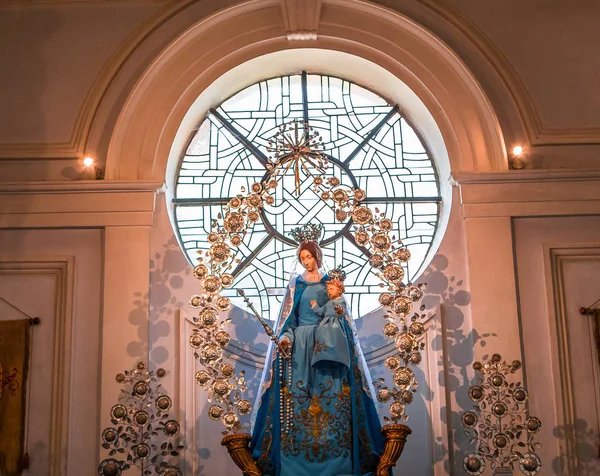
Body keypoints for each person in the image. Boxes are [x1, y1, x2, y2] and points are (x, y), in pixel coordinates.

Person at [250, 225, 385, 476]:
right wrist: (286, 340)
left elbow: (339, 314)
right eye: (302, 258)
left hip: (326, 346)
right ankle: (294, 462)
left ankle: (338, 461)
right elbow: (290, 322)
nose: (305, 262)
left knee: (332, 399)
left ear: (317, 256)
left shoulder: (330, 283)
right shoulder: (296, 286)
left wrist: (335, 314)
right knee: (298, 402)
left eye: (309, 257)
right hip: (299, 349)